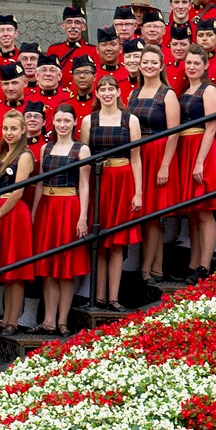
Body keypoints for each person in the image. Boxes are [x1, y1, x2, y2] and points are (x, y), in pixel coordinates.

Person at [81, 74, 142, 310]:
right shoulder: (89, 121)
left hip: (122, 180)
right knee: (100, 240)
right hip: (99, 183)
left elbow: (136, 159)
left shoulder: (130, 120)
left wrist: (138, 192)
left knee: (117, 243)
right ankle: (98, 297)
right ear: (96, 94)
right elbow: (84, 161)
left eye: (111, 89)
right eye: (102, 89)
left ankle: (113, 298)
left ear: (118, 93)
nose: (107, 93)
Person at [32, 104, 91, 336]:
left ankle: (63, 321)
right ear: (53, 122)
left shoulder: (82, 149)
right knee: (47, 268)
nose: (63, 125)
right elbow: (39, 183)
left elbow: (85, 184)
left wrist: (83, 216)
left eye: (67, 120)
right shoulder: (45, 148)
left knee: (66, 269)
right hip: (48, 207)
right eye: (59, 121)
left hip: (69, 207)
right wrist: (35, 213)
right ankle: (48, 320)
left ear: (75, 122)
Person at [126, 48, 180, 288]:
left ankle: (147, 268)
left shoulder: (167, 94)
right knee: (147, 217)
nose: (148, 66)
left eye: (153, 62)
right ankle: (154, 267)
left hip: (159, 156)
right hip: (139, 157)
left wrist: (165, 165)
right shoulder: (133, 94)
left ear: (161, 66)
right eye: (144, 62)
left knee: (153, 216)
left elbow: (174, 132)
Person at [173, 47, 216, 282]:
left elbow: (212, 127)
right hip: (185, 149)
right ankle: (193, 263)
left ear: (206, 65)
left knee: (205, 211)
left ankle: (204, 265)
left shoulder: (209, 90)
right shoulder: (185, 90)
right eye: (189, 63)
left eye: (197, 62)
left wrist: (199, 161)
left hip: (202, 151)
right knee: (193, 213)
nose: (192, 66)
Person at [0, 111, 39, 335]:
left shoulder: (24, 156)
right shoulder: (2, 154)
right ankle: (5, 318)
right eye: (5, 128)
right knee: (5, 272)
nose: (9, 133)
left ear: (23, 130)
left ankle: (13, 321)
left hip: (14, 214)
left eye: (13, 129)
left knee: (15, 272)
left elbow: (17, 192)